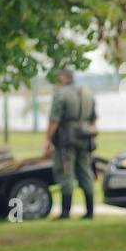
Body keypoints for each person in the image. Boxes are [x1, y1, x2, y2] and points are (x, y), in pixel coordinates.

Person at [44, 68, 97, 220]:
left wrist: (47, 140)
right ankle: (90, 211)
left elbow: (54, 121)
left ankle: (65, 212)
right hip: (85, 137)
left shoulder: (61, 94)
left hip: (66, 139)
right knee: (85, 171)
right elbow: (93, 119)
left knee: (66, 172)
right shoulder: (88, 93)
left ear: (64, 77)